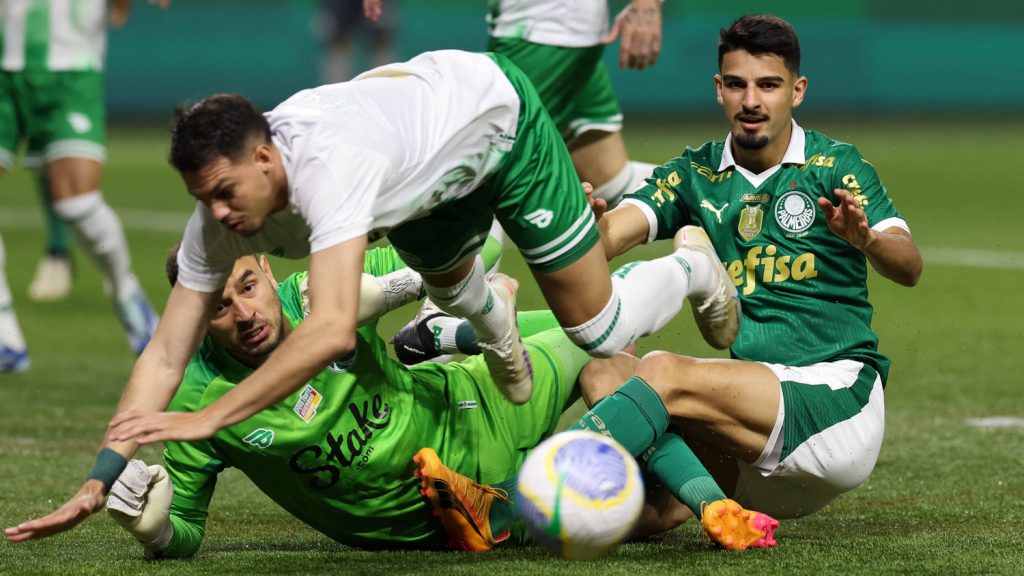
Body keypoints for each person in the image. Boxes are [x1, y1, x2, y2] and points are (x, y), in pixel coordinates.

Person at [4, 49, 743, 542]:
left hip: (496, 125)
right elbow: (166, 351)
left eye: (227, 192)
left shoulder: (331, 170)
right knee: (453, 291)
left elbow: (326, 331)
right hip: (422, 182)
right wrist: (102, 475)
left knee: (599, 330)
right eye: (205, 200)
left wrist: (208, 421)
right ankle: (493, 329)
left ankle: (689, 267)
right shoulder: (219, 224)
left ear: (266, 157)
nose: (220, 215)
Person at [560, 13, 922, 536]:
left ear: (796, 91)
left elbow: (909, 266)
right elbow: (615, 233)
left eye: (768, 85)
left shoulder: (835, 167)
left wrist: (865, 239)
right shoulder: (695, 174)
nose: (751, 100)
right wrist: (588, 229)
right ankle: (714, 508)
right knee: (605, 374)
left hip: (833, 404)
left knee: (660, 372)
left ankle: (512, 495)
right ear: (719, 89)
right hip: (752, 441)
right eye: (737, 84)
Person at [101, 246, 601, 555]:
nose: (245, 313)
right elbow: (186, 530)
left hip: (465, 398)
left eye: (248, 286)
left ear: (269, 272)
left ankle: (449, 338)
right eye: (219, 307)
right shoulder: (196, 397)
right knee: (607, 349)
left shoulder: (323, 294)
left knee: (602, 327)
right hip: (444, 506)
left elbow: (454, 249)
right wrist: (158, 532)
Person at [363, 0, 662, 208]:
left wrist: (645, 3)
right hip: (562, 34)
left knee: (482, 177)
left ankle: (447, 295)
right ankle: (705, 193)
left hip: (542, 33)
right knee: (609, 180)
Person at [0, 0, 161, 366]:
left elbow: (119, 14)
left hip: (71, 70)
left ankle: (124, 291)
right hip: (2, 71)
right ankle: (4, 335)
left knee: (76, 202)